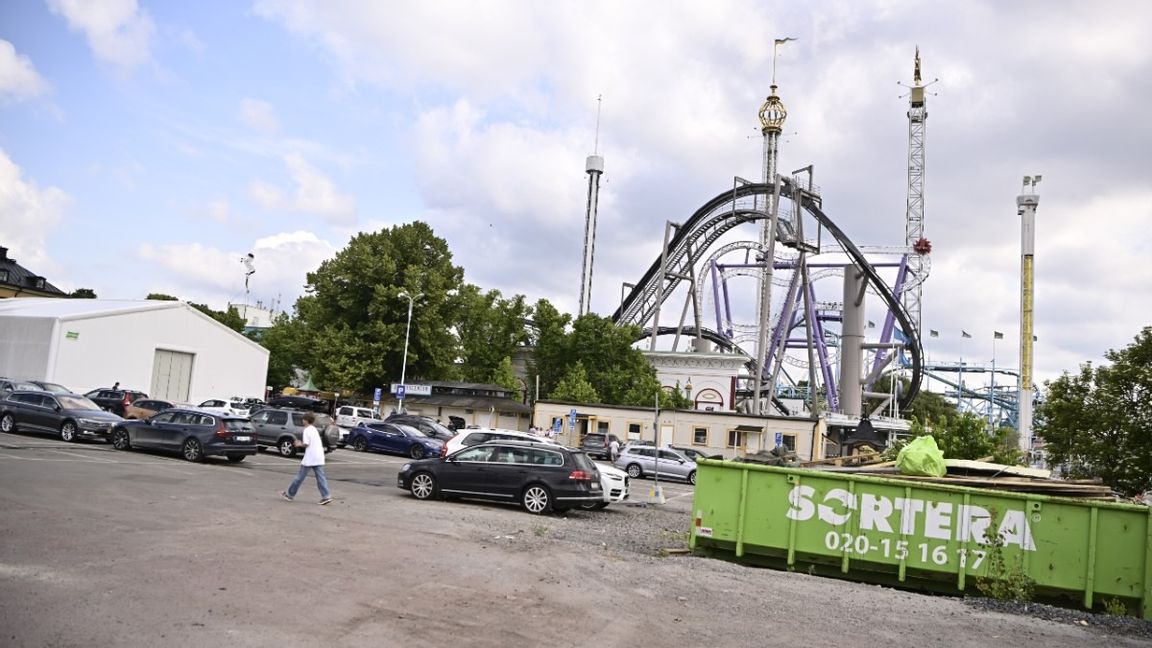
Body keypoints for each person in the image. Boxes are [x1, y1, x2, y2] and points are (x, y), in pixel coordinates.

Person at [280, 412, 332, 505]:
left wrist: (299, 443)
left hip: (310, 458)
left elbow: (306, 444)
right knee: (320, 477)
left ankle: (290, 494)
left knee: (299, 477)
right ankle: (326, 496)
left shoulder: (307, 430)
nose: (302, 420)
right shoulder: (314, 429)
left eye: (303, 419)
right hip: (318, 456)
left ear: (306, 420)